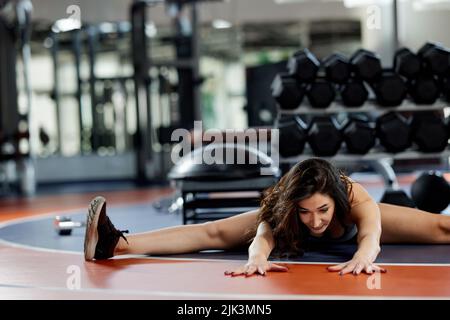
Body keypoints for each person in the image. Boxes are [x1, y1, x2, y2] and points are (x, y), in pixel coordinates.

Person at [83, 158, 450, 276]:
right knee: (213, 234)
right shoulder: (283, 207)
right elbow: (263, 237)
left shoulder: (355, 196)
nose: (316, 221)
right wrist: (256, 260)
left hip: (354, 231)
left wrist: (363, 257)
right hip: (278, 217)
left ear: (337, 201)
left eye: (323, 210)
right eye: (305, 212)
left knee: (440, 226)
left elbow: (370, 235)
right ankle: (112, 243)